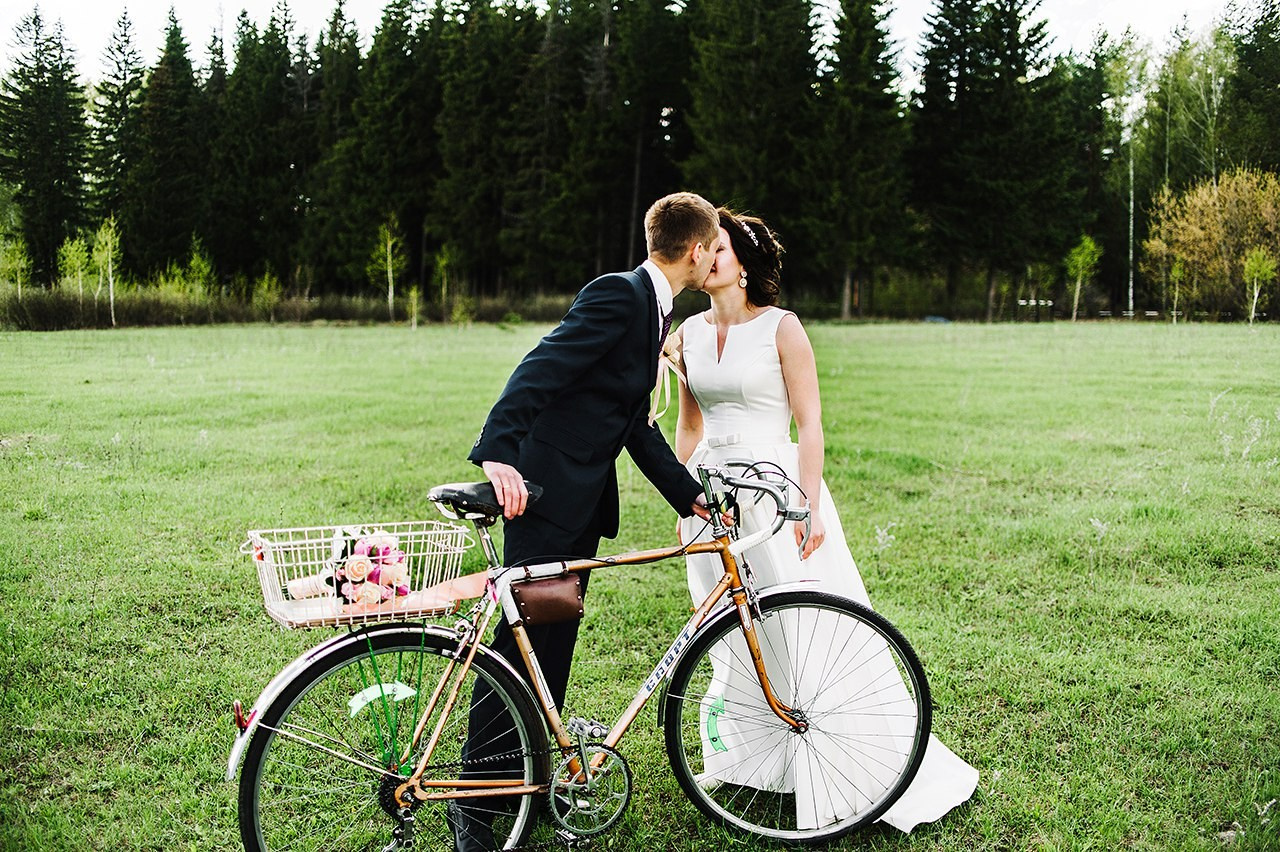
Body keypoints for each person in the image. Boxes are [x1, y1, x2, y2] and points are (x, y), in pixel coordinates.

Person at [673, 209, 978, 833]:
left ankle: (842, 760)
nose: (709, 257)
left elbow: (810, 424)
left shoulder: (782, 328)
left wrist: (806, 504)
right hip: (712, 497)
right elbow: (691, 423)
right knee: (733, 629)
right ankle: (760, 760)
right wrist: (682, 499)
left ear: (744, 262)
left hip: (773, 492)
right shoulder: (688, 334)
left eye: (721, 248)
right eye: (705, 248)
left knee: (800, 622)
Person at [453, 192, 722, 851]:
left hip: (577, 505)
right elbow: (540, 367)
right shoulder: (620, 295)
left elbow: (632, 422)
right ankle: (473, 806)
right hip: (541, 499)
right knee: (518, 653)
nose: (716, 257)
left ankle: (524, 783)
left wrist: (688, 496)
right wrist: (496, 451)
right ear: (695, 251)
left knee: (550, 652)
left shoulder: (652, 308)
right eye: (713, 247)